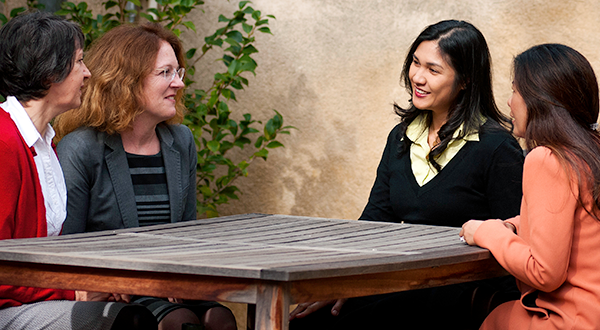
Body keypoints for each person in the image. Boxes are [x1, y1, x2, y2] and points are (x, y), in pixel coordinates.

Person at [290, 20, 524, 330]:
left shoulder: (495, 147)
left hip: (463, 290)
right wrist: (340, 283)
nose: (418, 77)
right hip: (406, 283)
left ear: (465, 80)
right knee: (309, 320)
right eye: (415, 62)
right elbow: (375, 221)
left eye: (433, 70)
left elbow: (516, 235)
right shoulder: (401, 137)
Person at [53, 23, 237, 330]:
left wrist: (180, 277)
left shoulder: (180, 141)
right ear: (126, 81)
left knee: (220, 318)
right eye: (165, 73)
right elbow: (66, 247)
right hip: (112, 287)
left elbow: (186, 234)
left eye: (178, 73)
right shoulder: (82, 147)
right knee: (177, 322)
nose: (178, 84)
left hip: (170, 285)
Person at [0, 11, 157, 330]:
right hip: (9, 307)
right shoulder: (4, 143)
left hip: (33, 300)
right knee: (129, 321)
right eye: (79, 62)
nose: (87, 73)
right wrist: (74, 288)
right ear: (49, 74)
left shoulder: (43, 143)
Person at [460, 44, 600, 330]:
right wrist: (514, 224)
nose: (510, 102)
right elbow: (579, 226)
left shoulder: (547, 158)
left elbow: (544, 272)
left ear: (539, 100)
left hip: (568, 321)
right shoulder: (590, 151)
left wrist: (486, 232)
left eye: (515, 91)